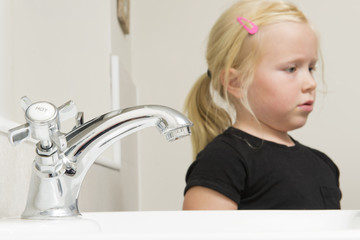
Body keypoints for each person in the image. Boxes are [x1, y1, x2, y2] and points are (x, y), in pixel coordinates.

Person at [182, 0, 341, 210]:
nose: (311, 83)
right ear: (235, 83)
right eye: (292, 69)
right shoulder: (224, 161)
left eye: (311, 68)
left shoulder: (324, 166)